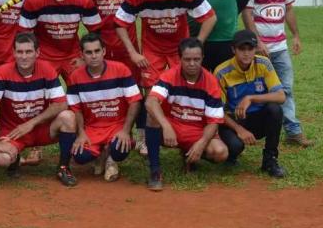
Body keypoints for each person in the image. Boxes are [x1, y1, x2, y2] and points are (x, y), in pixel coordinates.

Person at [0, 33, 79, 187]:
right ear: (13, 53)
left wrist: (32, 123)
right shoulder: (2, 73)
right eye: (19, 52)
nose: (24, 56)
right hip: (13, 131)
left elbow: (61, 104)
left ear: (37, 53)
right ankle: (15, 160)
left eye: (28, 52)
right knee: (3, 159)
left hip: (40, 128)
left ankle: (63, 167)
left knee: (68, 117)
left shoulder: (46, 69)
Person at [242, 0, 311, 147]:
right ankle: (253, 128)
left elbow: (288, 9)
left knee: (286, 89)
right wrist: (257, 42)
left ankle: (293, 131)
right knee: (257, 89)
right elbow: (247, 13)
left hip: (280, 47)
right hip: (258, 49)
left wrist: (296, 35)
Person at [115, 0, 216, 90]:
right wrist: (133, 53)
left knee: (182, 87)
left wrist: (197, 44)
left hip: (179, 48)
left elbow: (210, 17)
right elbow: (119, 23)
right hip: (152, 49)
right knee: (152, 89)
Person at [144, 38, 229, 191]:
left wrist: (201, 143)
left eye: (196, 59)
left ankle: (189, 156)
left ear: (203, 58)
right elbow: (150, 101)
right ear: (180, 59)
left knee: (220, 153)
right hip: (173, 126)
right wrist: (166, 125)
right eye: (187, 59)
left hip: (197, 129)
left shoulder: (211, 82)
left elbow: (214, 122)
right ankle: (155, 170)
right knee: (152, 117)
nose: (192, 63)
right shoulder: (169, 75)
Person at [66, 33, 142, 183]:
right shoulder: (75, 77)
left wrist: (126, 131)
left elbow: (135, 102)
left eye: (97, 51)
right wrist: (81, 133)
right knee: (80, 156)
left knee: (121, 149)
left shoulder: (121, 70)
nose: (93, 56)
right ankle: (100, 154)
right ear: (82, 55)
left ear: (104, 51)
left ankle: (111, 160)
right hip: (92, 128)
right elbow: (76, 109)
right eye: (88, 52)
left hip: (116, 126)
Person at [214, 30, 287, 178]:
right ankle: (231, 154)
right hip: (234, 121)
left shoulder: (264, 63)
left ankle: (269, 160)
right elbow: (218, 112)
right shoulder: (221, 72)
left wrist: (251, 98)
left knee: (275, 110)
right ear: (233, 49)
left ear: (255, 49)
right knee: (235, 146)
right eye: (242, 49)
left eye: (250, 49)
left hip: (258, 119)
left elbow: (281, 96)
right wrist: (239, 129)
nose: (246, 53)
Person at [18, 0, 102, 82]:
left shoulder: (83, 0)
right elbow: (24, 35)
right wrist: (34, 59)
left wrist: (84, 58)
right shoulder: (34, 0)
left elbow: (96, 31)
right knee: (42, 98)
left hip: (73, 56)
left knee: (83, 94)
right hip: (45, 57)